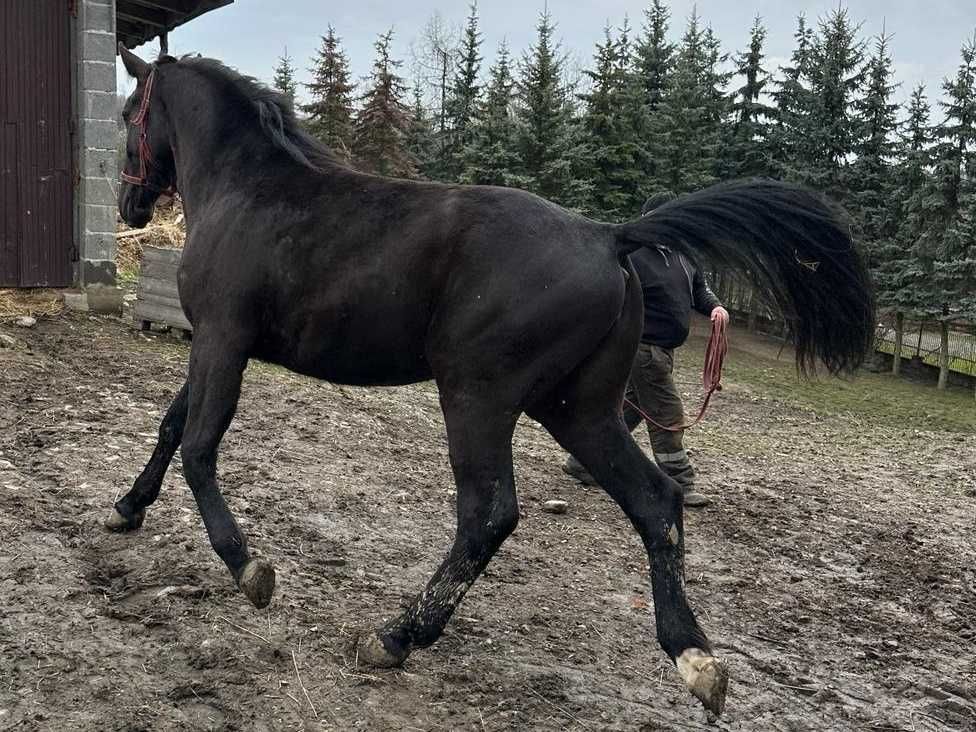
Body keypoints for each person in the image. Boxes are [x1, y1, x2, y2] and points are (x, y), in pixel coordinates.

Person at [563, 191, 729, 507]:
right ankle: (680, 481)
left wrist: (716, 308)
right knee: (667, 414)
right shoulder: (633, 256)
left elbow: (699, 291)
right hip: (643, 349)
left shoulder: (684, 255)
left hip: (664, 352)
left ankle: (582, 462)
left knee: (623, 413)